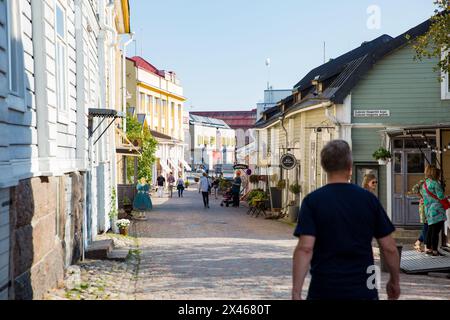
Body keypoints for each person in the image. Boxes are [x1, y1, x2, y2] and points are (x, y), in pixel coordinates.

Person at [292, 140, 400, 301]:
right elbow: (389, 248)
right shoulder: (369, 200)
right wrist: (394, 281)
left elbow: (305, 248)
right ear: (350, 166)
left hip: (324, 288)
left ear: (324, 165)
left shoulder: (312, 201)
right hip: (364, 288)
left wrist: (296, 293)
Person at [421, 165, 448, 256]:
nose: (439, 176)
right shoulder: (435, 184)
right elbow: (440, 196)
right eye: (438, 174)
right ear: (435, 174)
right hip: (437, 210)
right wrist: (446, 197)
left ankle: (428, 248)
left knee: (430, 229)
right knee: (435, 232)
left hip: (428, 209)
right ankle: (435, 251)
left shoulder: (425, 184)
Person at [412, 179, 428, 253]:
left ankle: (418, 242)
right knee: (426, 225)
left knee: (427, 226)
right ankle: (426, 245)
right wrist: (421, 196)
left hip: (429, 206)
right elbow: (414, 189)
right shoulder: (423, 182)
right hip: (424, 207)